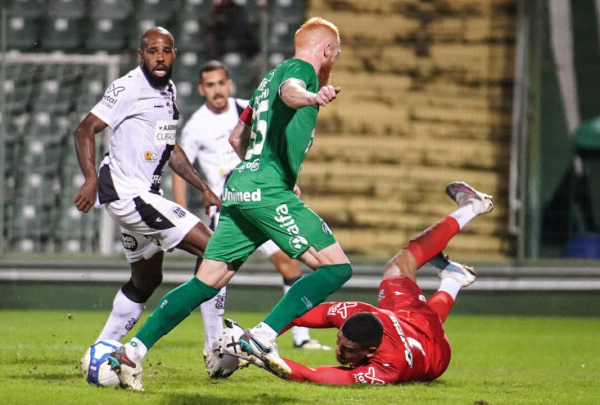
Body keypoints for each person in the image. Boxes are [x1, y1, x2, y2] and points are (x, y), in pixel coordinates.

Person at [110, 19, 491, 391]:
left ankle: (132, 352)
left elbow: (236, 137)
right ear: (326, 50)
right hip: (266, 189)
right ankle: (262, 335)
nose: (332, 63)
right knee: (337, 267)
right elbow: (291, 91)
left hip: (242, 186)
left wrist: (271, 174)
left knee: (207, 281)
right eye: (335, 56)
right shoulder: (300, 71)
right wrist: (312, 98)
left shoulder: (263, 81)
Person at [225, 183, 493, 385]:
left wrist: (264, 360)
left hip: (435, 357)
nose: (339, 352)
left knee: (419, 308)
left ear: (371, 352)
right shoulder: (354, 312)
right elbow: (295, 315)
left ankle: (464, 236)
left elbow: (312, 375)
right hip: (409, 320)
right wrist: (255, 339)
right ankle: (458, 259)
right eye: (340, 342)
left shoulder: (390, 367)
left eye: (350, 350)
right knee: (399, 269)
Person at [73, 27, 221, 346]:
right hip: (129, 196)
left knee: (147, 280)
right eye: (152, 51)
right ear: (141, 55)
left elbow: (170, 149)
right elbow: (84, 130)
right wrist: (90, 179)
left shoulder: (169, 91)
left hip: (143, 196)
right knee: (216, 251)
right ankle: (216, 346)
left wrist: (203, 187)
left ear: (174, 55)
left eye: (165, 50)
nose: (159, 57)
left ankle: (100, 351)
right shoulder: (127, 87)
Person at [172, 60, 327, 358]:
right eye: (210, 85)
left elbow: (271, 145)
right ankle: (214, 341)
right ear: (201, 89)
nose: (217, 90)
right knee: (217, 275)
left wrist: (282, 179)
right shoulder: (196, 126)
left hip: (261, 197)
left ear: (229, 85)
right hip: (228, 205)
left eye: (221, 83)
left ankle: (301, 337)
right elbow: (182, 168)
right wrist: (182, 213)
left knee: (289, 262)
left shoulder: (247, 108)